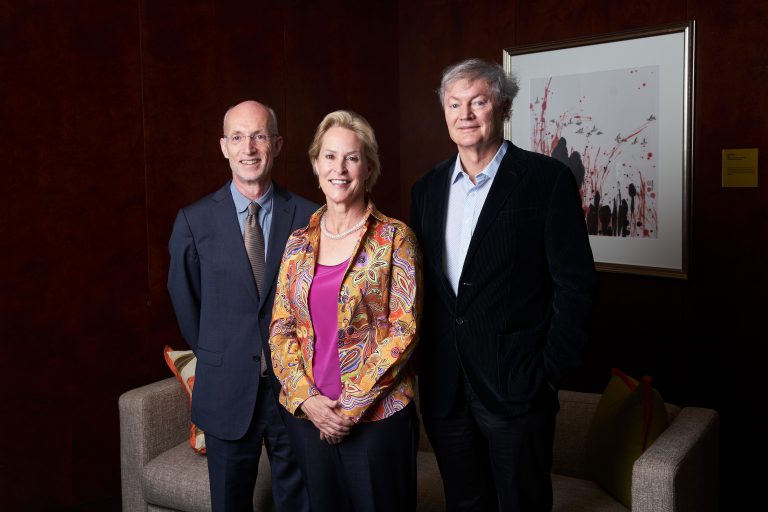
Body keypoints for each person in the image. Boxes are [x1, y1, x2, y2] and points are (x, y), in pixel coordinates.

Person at [409, 58, 597, 511]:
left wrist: (547, 375)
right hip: (445, 388)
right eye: (454, 103)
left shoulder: (545, 180)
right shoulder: (427, 188)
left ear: (503, 106)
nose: (465, 113)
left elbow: (577, 287)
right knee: (465, 502)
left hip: (518, 387)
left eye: (478, 101)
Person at [269, 110, 422, 512]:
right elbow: (281, 327)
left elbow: (404, 331)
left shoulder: (395, 238)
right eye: (330, 156)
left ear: (367, 167)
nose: (340, 168)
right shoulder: (298, 243)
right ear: (316, 164)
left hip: (376, 421)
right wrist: (309, 401)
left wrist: (348, 408)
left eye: (352, 158)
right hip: (308, 420)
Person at [167, 100, 316, 512]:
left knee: (300, 502)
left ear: (278, 144)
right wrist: (222, 353)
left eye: (259, 136)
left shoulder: (309, 217)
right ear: (223, 147)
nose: (248, 147)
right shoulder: (194, 221)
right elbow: (187, 303)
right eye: (237, 137)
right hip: (226, 388)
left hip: (296, 391)